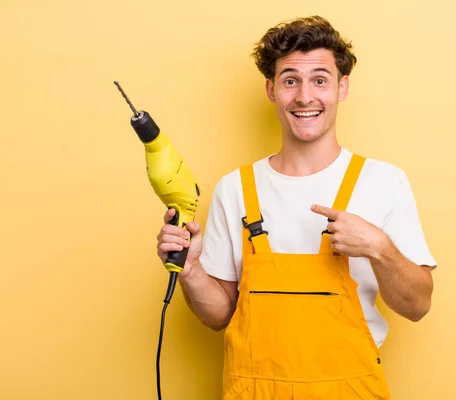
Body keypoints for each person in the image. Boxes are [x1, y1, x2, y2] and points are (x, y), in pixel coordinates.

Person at [156, 15, 436, 399]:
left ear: (342, 87)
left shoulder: (383, 183)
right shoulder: (236, 189)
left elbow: (417, 305)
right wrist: (190, 272)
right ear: (272, 90)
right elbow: (218, 316)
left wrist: (378, 247)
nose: (305, 97)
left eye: (320, 79)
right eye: (291, 80)